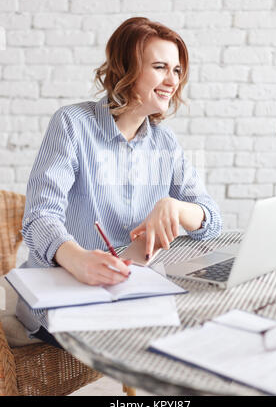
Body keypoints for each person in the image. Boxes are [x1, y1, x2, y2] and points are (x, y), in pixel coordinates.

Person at [16, 17, 222, 347]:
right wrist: (77, 259)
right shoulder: (72, 124)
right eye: (160, 67)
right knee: (175, 345)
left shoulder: (164, 143)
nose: (172, 80)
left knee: (208, 330)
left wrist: (175, 207)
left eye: (177, 70)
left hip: (133, 294)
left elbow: (211, 220)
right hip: (64, 297)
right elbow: (38, 218)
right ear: (127, 69)